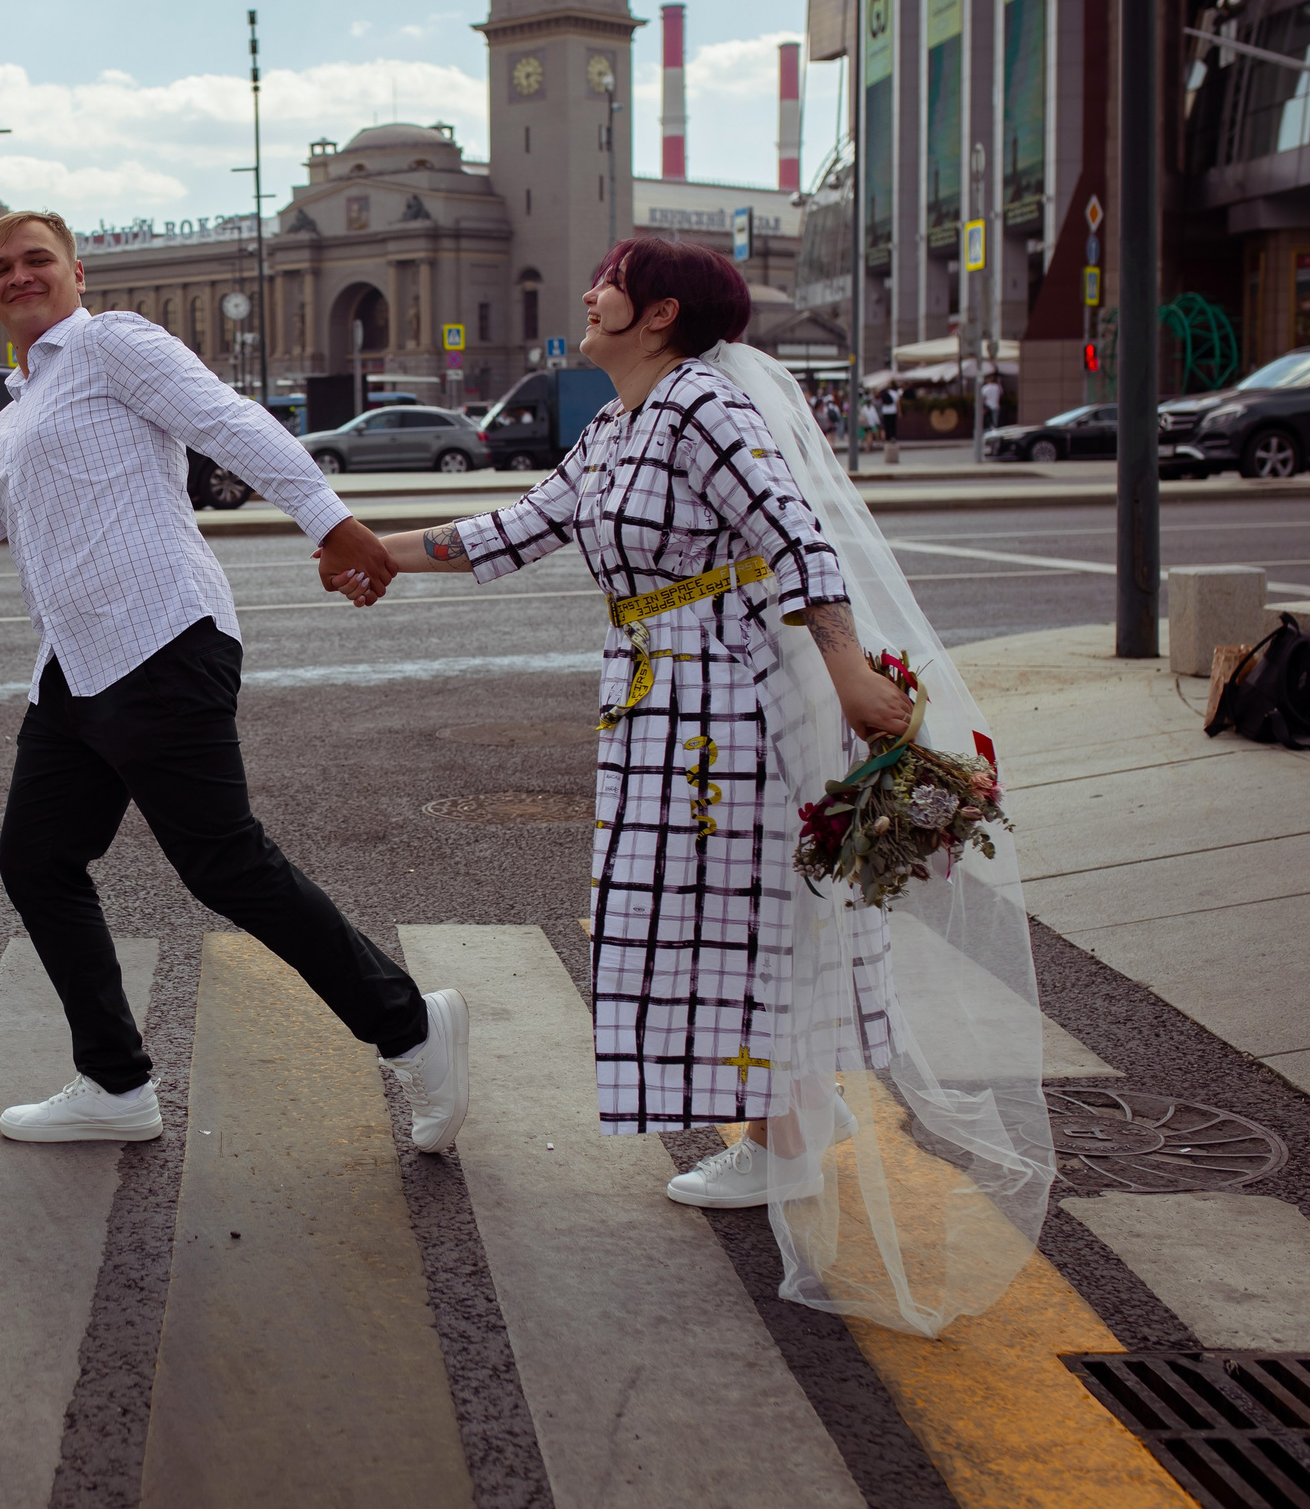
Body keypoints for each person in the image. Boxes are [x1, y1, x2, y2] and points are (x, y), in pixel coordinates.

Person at [326, 238, 1052, 1337]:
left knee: (738, 918)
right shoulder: (621, 422)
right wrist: (373, 548)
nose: (585, 289)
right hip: (660, 697)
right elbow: (518, 530)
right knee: (724, 920)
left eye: (604, 279)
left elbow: (800, 539)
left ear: (657, 312)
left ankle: (780, 1148)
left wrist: (850, 670)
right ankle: (781, 1139)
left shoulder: (704, 407)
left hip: (728, 703)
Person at [0, 209, 470, 1152]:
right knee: (37, 860)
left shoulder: (112, 344)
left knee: (225, 864)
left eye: (37, 259)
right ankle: (116, 1082)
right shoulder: (6, 423)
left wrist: (332, 523)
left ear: (77, 273)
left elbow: (227, 421)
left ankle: (413, 1029)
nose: (19, 276)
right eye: (1, 268)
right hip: (74, 674)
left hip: (162, 638)